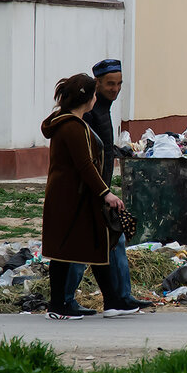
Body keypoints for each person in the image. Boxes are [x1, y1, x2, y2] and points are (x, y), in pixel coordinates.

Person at [40, 73, 138, 319]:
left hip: (81, 197)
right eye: (95, 94)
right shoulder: (72, 127)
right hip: (69, 199)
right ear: (87, 98)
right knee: (63, 252)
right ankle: (57, 306)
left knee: (96, 244)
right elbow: (85, 165)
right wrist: (106, 193)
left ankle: (113, 301)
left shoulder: (76, 123)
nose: (97, 98)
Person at [65, 59, 153, 315]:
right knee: (85, 248)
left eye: (119, 84)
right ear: (97, 84)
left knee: (116, 240)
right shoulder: (90, 112)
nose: (115, 89)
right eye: (110, 84)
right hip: (93, 191)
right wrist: (102, 191)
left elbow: (101, 149)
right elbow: (86, 158)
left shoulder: (104, 108)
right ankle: (66, 301)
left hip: (103, 189)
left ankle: (120, 298)